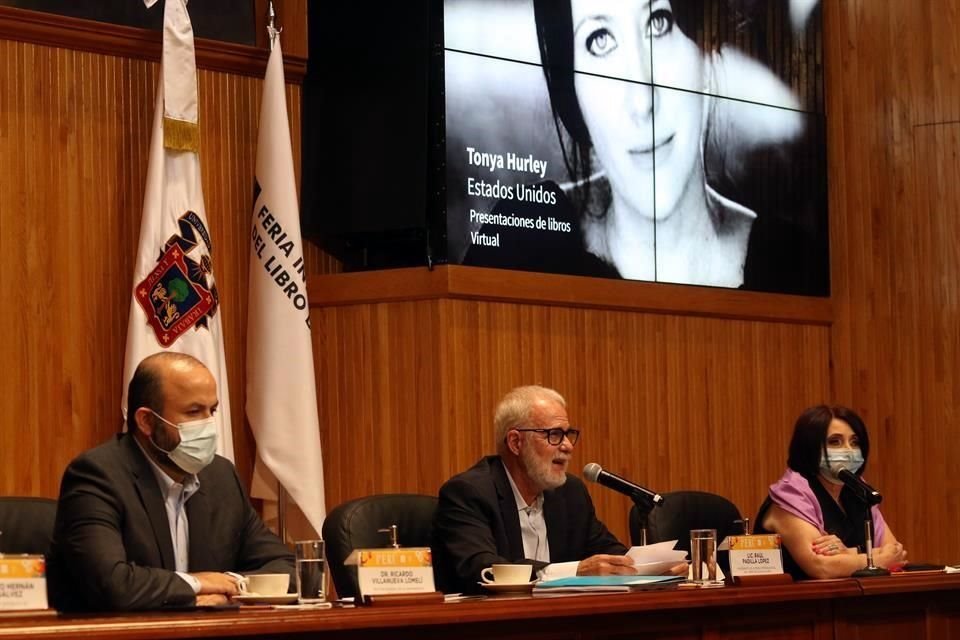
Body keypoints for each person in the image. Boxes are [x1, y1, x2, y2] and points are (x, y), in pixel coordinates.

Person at [518, 0, 819, 290]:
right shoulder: (523, 242)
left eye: (658, 23)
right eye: (600, 41)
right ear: (571, 90)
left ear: (706, 43)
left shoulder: (794, 268)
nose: (642, 101)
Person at [48, 352, 294, 611]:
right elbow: (112, 584)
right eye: (194, 411)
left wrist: (231, 584)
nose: (209, 425)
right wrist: (194, 586)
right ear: (147, 421)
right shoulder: (97, 475)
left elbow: (285, 567)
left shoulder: (221, 477)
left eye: (212, 410)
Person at [433, 385, 684, 593]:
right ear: (516, 442)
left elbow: (606, 551)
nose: (567, 446)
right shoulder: (469, 492)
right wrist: (573, 571)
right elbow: (482, 567)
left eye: (567, 434)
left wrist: (651, 568)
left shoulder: (569, 493)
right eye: (553, 435)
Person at [754, 405, 907, 579]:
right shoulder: (791, 494)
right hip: (797, 602)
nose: (849, 450)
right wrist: (876, 559)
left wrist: (849, 553)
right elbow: (822, 567)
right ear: (809, 447)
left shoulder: (858, 491)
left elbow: (895, 553)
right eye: (835, 441)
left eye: (855, 442)